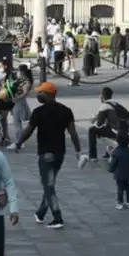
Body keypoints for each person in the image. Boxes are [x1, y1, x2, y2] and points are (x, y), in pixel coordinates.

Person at [14, 81, 81, 229]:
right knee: (49, 183)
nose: (38, 95)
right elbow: (73, 133)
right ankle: (41, 212)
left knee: (48, 185)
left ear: (49, 94)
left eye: (41, 93)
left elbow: (28, 130)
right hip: (59, 153)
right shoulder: (66, 111)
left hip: (45, 153)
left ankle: (57, 217)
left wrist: (18, 142)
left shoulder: (39, 112)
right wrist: (78, 150)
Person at [87, 86, 129, 160]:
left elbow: (98, 125)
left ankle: (92, 156)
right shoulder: (116, 103)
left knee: (92, 130)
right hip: (124, 130)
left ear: (102, 96)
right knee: (107, 126)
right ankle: (108, 153)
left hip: (116, 132)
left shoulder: (104, 105)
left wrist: (95, 118)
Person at [108, 132, 129, 210]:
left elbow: (113, 164)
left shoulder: (116, 152)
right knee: (128, 188)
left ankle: (119, 202)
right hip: (128, 174)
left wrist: (110, 169)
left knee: (120, 189)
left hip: (119, 174)